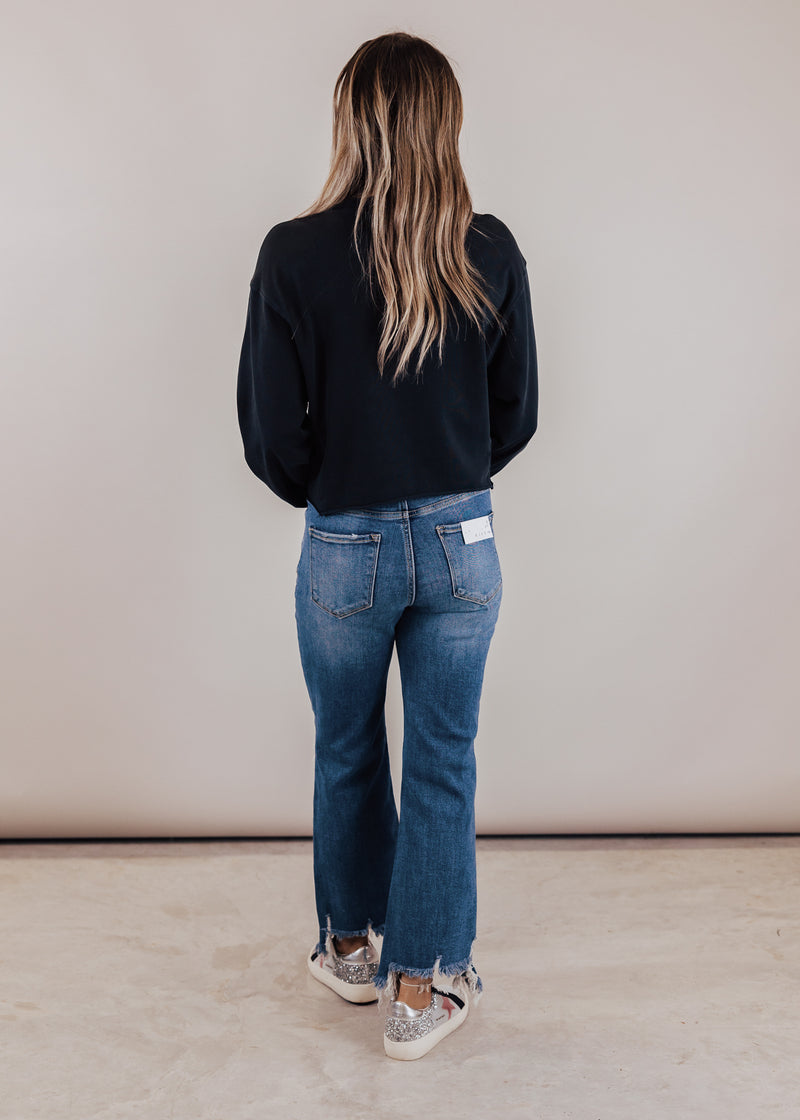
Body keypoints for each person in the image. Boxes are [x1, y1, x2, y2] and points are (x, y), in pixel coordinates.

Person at [236, 30, 538, 1060]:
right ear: (444, 122)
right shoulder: (488, 248)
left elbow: (269, 434)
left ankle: (353, 947)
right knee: (444, 758)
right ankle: (423, 989)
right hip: (462, 538)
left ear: (351, 120)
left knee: (346, 744)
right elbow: (516, 413)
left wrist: (334, 494)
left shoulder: (292, 253)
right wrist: (445, 475)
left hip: (346, 545)